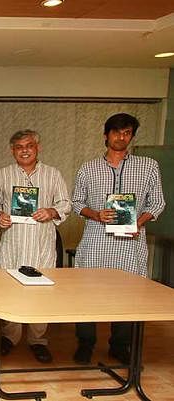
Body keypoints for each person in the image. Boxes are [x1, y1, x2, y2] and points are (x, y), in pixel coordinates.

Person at [71, 113, 165, 365]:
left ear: (132, 136)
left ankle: (120, 345)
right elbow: (76, 203)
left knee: (129, 295)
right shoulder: (88, 168)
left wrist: (139, 222)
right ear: (106, 135)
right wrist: (96, 214)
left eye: (126, 133)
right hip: (95, 242)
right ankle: (86, 343)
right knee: (86, 294)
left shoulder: (148, 166)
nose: (121, 137)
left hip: (130, 244)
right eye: (116, 132)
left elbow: (157, 203)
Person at [0, 129, 71, 363]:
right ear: (12, 150)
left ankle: (37, 340)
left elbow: (66, 203)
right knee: (10, 290)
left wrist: (52, 211)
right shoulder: (3, 174)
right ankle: (10, 336)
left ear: (38, 148)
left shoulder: (53, 174)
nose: (24, 150)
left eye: (29, 146)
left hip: (41, 244)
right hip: (13, 243)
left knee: (41, 292)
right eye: (19, 147)